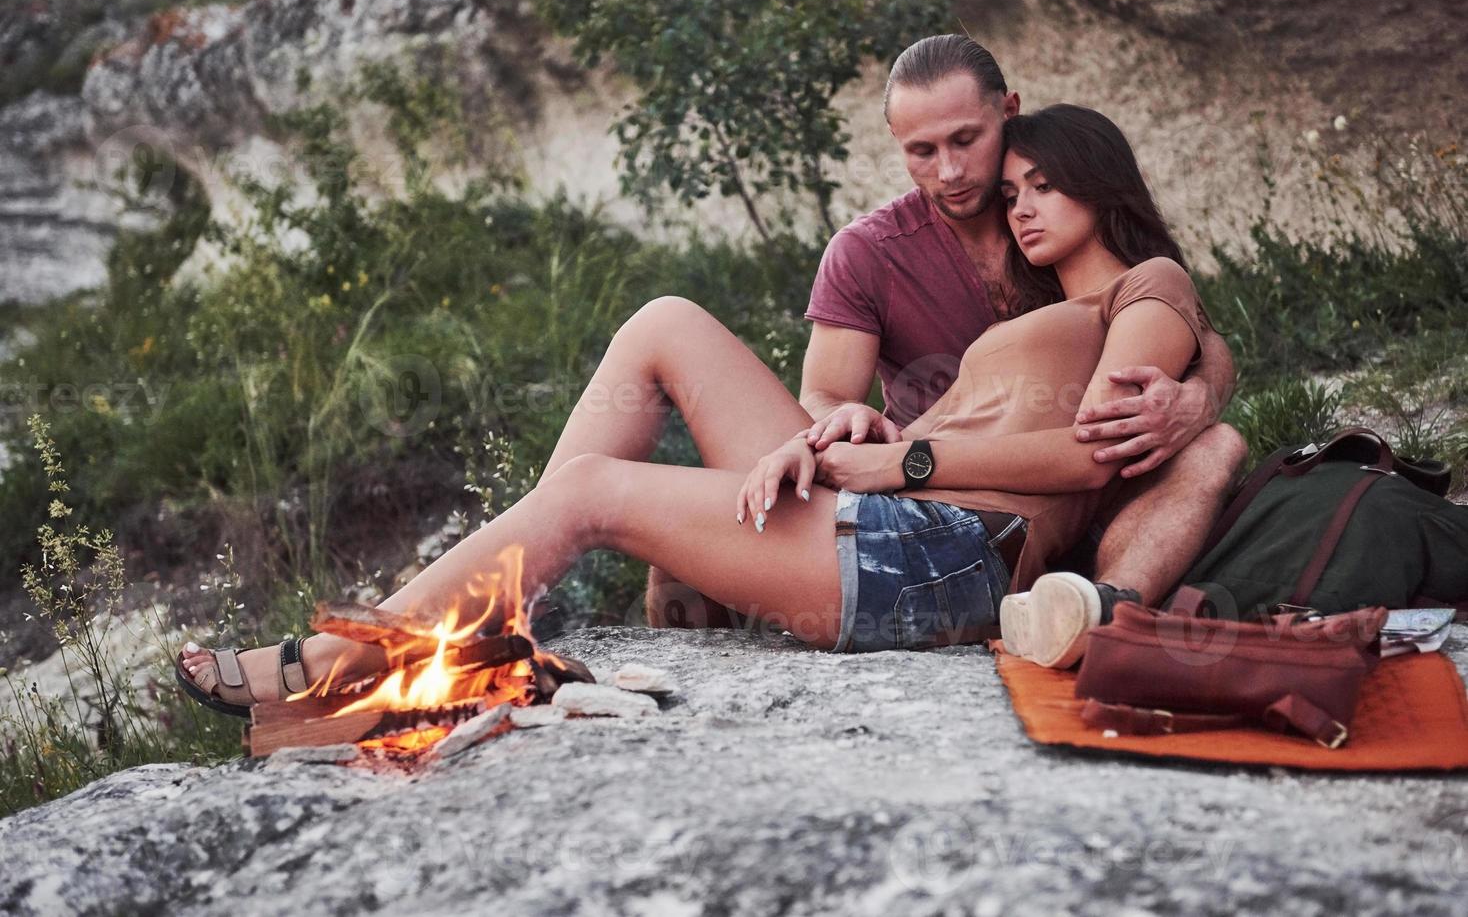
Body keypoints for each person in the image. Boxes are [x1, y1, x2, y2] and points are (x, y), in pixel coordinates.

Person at [177, 102, 1211, 714]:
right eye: (1013, 186)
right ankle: (496, 618)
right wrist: (869, 431)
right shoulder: (1050, 306)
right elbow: (989, 432)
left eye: (1040, 185)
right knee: (665, 319)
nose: (1015, 203)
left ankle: (350, 659)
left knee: (592, 494)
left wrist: (902, 467)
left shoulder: (1146, 284)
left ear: (1097, 184)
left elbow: (1089, 459)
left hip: (940, 553)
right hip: (903, 522)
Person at [645, 35, 1247, 667]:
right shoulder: (872, 251)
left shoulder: (1061, 239)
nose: (951, 172)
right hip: (922, 501)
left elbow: (1179, 322)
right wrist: (857, 428)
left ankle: (1098, 609)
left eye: (966, 140)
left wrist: (1202, 392)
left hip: (1054, 509)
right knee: (681, 524)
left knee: (1218, 444)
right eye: (921, 151)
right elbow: (824, 395)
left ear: (1008, 114)